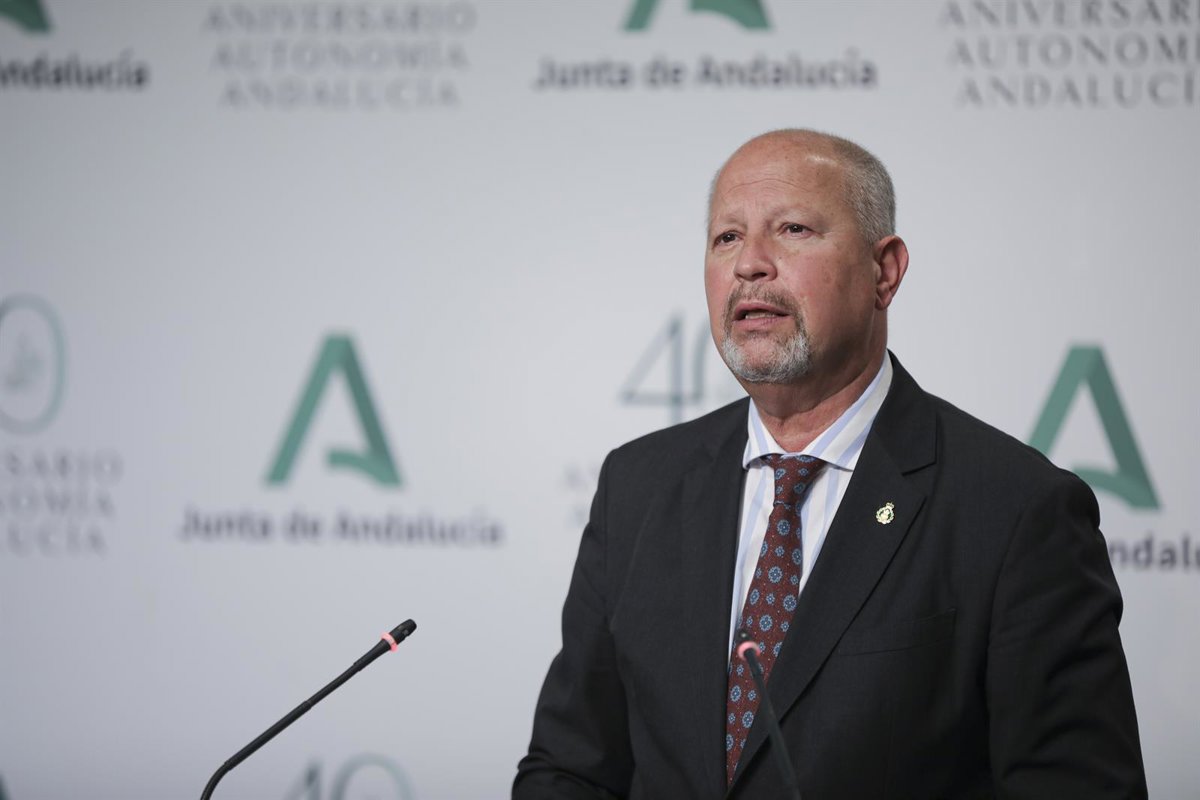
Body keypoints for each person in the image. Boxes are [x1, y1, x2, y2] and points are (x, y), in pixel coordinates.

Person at [513, 129, 1145, 798]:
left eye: (792, 229)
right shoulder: (638, 485)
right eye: (727, 237)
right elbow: (570, 768)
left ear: (884, 272)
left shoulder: (1015, 510)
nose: (749, 264)